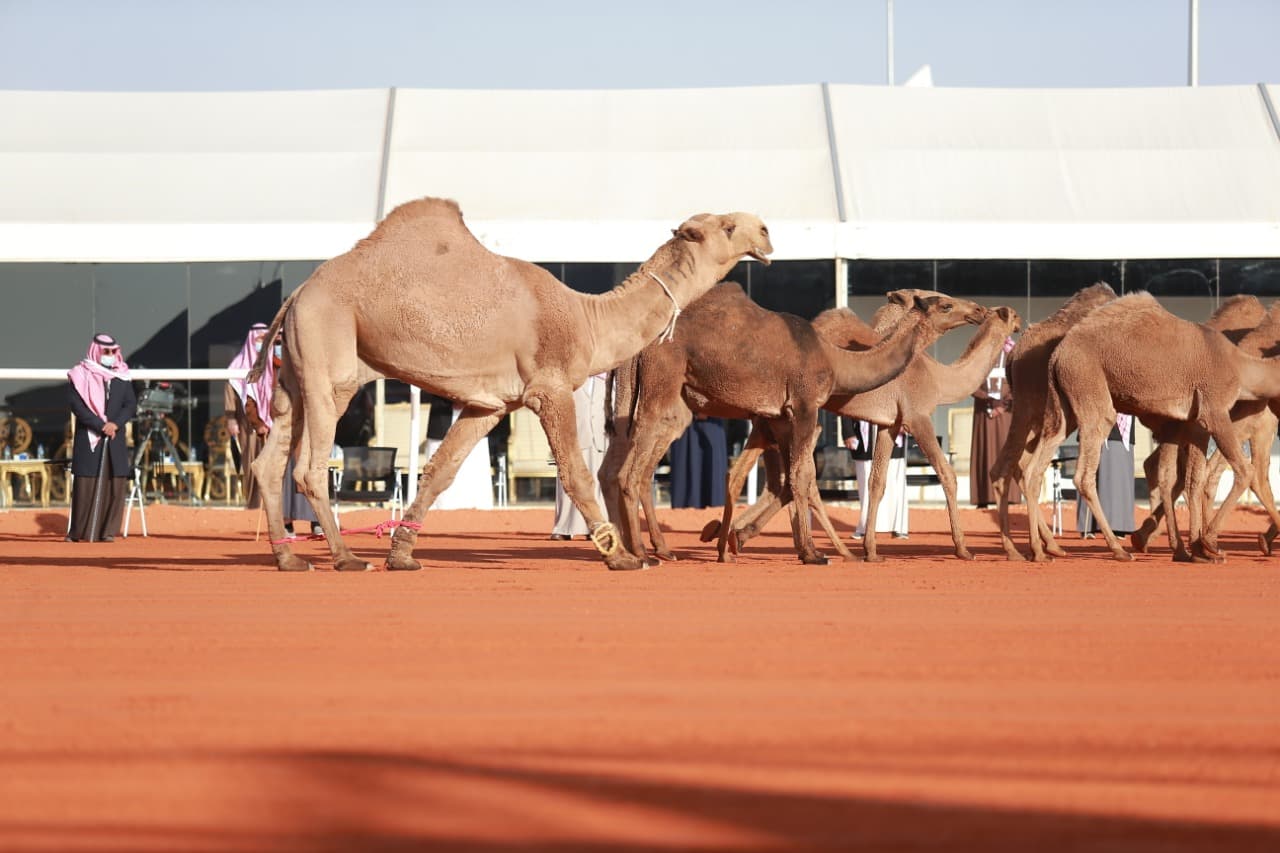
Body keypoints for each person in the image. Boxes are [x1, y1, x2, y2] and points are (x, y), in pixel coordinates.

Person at [245, 332, 322, 538]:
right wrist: (258, 423)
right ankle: (286, 524)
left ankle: (316, 521)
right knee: (283, 480)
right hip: (276, 432)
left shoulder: (303, 364)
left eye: (282, 342)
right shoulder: (265, 370)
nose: (280, 347)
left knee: (307, 474)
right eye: (277, 343)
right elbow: (251, 399)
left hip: (303, 430)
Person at [66, 333, 137, 542]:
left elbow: (130, 405)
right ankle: (80, 532)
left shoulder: (123, 376)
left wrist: (114, 424)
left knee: (115, 484)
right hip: (90, 437)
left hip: (114, 437)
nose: (111, 356)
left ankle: (107, 532)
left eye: (114, 352)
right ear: (97, 351)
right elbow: (77, 406)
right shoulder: (79, 375)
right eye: (106, 352)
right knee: (86, 485)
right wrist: (100, 425)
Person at [550, 373, 609, 540]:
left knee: (598, 482)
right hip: (572, 436)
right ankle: (564, 528)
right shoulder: (567, 378)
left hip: (601, 437)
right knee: (568, 481)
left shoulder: (609, 379)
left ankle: (596, 527)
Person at [970, 336, 1021, 508]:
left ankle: (1010, 496)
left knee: (1006, 451)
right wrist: (989, 400)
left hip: (1006, 414)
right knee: (985, 451)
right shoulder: (979, 356)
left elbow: (1019, 383)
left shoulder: (1013, 356)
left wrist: (1003, 404)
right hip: (984, 413)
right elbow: (970, 382)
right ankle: (983, 497)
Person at [224, 323, 269, 508]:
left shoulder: (271, 362)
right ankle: (253, 504)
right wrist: (231, 419)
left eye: (263, 341)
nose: (260, 344)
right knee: (251, 462)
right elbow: (230, 394)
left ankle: (272, 505)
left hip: (269, 422)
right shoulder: (237, 366)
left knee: (270, 462)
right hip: (246, 424)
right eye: (258, 340)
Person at [840, 417, 909, 539]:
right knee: (866, 486)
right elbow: (846, 406)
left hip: (893, 437)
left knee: (895, 484)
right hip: (864, 440)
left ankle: (898, 527)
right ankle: (866, 527)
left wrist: (907, 424)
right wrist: (848, 433)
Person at [423, 395, 494, 510]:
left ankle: (474, 502)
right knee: (442, 466)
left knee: (473, 464)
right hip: (443, 416)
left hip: (474, 415)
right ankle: (439, 504)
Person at [1077, 413, 1136, 537]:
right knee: (1089, 475)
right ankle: (1088, 527)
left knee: (1118, 479)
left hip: (1120, 429)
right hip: (1091, 421)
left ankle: (1118, 526)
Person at [668, 415, 727, 509]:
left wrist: (707, 408)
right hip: (683, 418)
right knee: (683, 472)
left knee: (713, 471)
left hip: (713, 416)